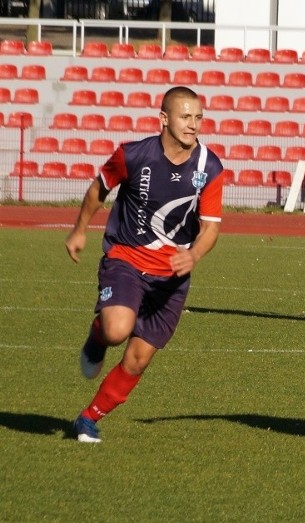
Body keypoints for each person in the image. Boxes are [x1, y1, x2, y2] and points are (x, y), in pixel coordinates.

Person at [65, 86, 225, 443]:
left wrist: (195, 254)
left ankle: (88, 419)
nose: (193, 124)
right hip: (126, 258)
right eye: (185, 117)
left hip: (172, 276)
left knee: (138, 359)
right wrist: (79, 230)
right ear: (164, 119)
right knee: (117, 330)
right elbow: (98, 189)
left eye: (198, 117)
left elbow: (212, 226)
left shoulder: (209, 167)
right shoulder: (133, 155)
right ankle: (98, 337)